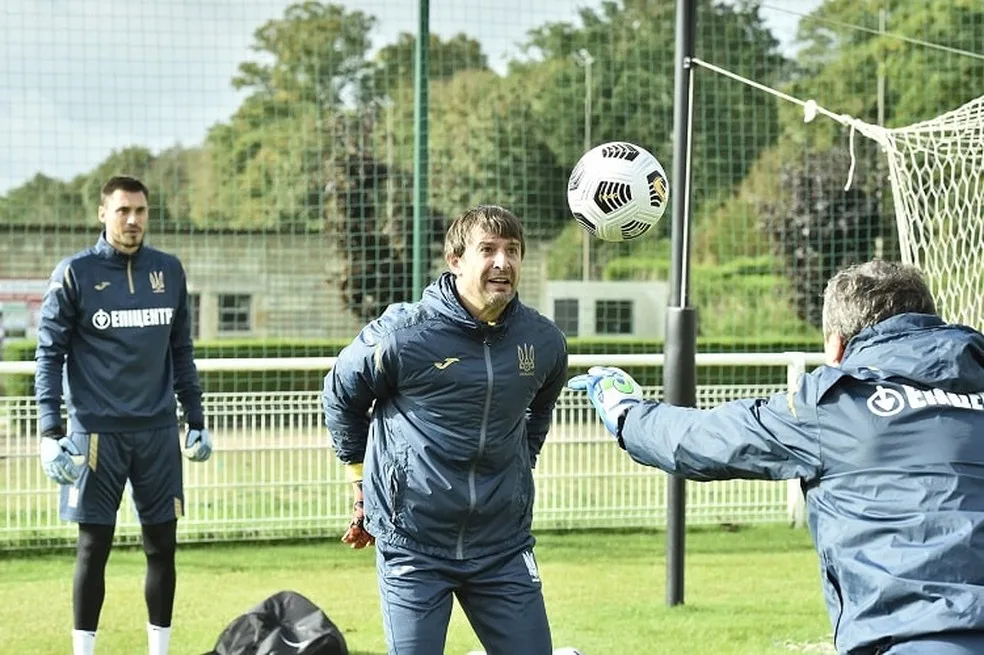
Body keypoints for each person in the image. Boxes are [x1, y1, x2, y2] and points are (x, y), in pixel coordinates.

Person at [569, 259, 984, 655]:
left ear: (836, 346)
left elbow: (704, 438)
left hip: (912, 638)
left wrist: (627, 413)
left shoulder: (834, 402)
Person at [322, 204, 569, 655]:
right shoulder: (402, 335)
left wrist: (516, 471)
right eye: (488, 250)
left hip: (502, 545)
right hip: (413, 543)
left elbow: (539, 409)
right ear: (455, 260)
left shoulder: (544, 341)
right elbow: (340, 395)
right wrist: (360, 485)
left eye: (513, 251)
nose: (503, 262)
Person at [35, 175, 212, 655]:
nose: (132, 220)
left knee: (162, 548)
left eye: (140, 211)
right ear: (103, 214)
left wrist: (195, 417)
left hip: (157, 434)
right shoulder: (73, 274)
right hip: (97, 436)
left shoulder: (169, 271)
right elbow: (48, 355)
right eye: (122, 211)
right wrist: (51, 432)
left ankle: (160, 651)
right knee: (93, 550)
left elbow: (181, 351)